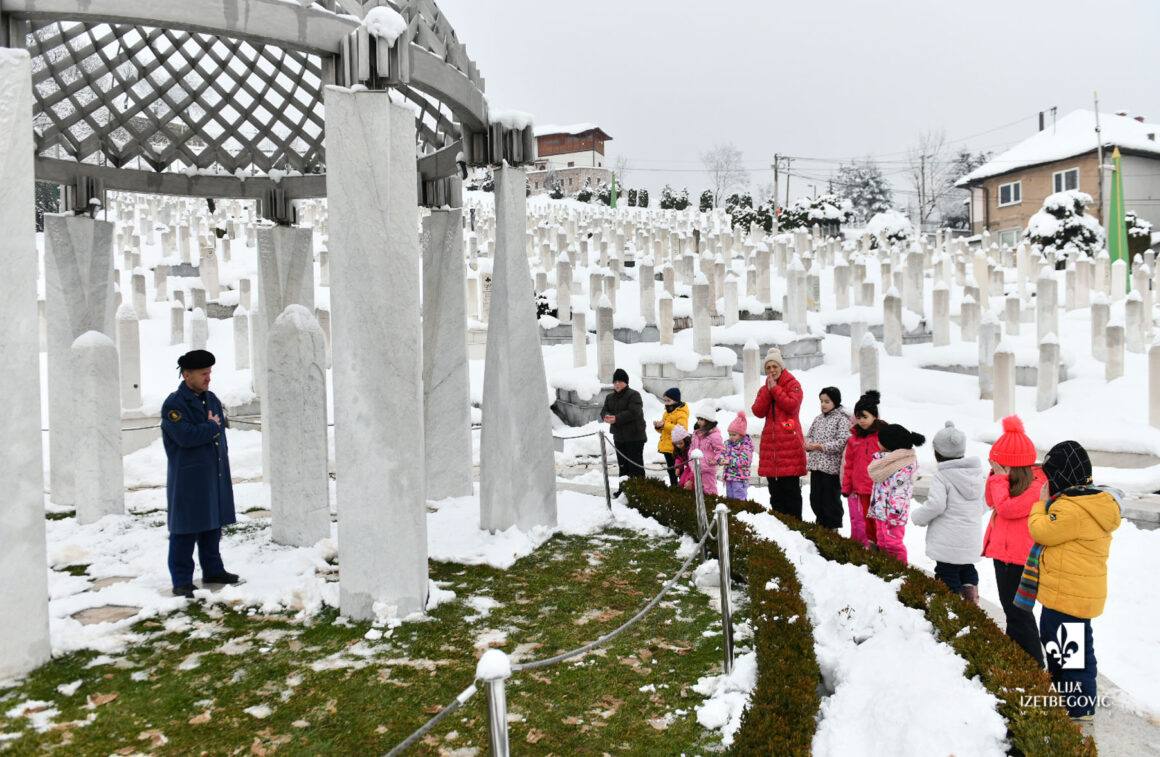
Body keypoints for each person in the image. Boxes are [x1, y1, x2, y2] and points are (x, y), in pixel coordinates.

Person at [1025, 441, 1121, 720]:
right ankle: (1072, 700)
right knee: (1072, 652)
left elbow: (1041, 531)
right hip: (1074, 594)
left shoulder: (1072, 509)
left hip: (1066, 597)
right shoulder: (1092, 500)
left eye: (1050, 477)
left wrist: (1040, 504)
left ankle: (1079, 708)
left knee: (1070, 656)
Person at [161, 350, 239, 598]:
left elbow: (218, 430)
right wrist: (211, 426)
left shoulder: (211, 399)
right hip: (188, 478)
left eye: (210, 373)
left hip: (213, 474)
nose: (208, 378)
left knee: (212, 526)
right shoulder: (174, 405)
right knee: (185, 530)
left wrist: (211, 427)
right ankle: (182, 580)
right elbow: (185, 436)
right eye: (203, 374)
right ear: (187, 375)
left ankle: (213, 570)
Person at [984, 415, 1046, 667]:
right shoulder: (1006, 481)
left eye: (1000, 466)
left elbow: (1007, 509)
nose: (997, 472)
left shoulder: (1037, 485)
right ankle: (1016, 659)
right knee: (1011, 612)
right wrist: (996, 475)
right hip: (1002, 556)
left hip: (1020, 559)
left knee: (1019, 614)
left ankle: (1034, 664)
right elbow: (990, 501)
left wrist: (999, 478)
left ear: (1015, 466)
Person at [910, 421, 986, 603]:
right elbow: (984, 503)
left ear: (937, 453)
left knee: (946, 574)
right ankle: (970, 602)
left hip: (948, 541)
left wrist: (918, 517)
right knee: (967, 569)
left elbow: (936, 505)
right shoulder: (976, 474)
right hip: (969, 539)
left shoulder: (942, 476)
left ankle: (949, 610)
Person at [751, 348, 806, 518]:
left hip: (789, 447)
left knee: (792, 494)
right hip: (771, 449)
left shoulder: (793, 384)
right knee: (775, 494)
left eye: (775, 366)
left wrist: (775, 390)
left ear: (781, 367)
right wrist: (768, 391)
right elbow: (758, 411)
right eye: (768, 368)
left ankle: (797, 530)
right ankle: (779, 530)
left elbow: (791, 405)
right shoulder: (765, 388)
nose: (772, 370)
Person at [867, 423, 924, 562]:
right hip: (881, 510)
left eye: (880, 440)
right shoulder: (885, 460)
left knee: (893, 544)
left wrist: (894, 513)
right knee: (881, 541)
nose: (877, 442)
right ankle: (885, 567)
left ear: (889, 444)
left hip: (893, 514)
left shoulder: (903, 465)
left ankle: (900, 571)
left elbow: (899, 491)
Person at [841, 391, 885, 548]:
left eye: (865, 417)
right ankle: (872, 550)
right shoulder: (854, 438)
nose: (861, 421)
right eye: (858, 418)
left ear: (874, 416)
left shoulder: (883, 436)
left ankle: (884, 551)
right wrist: (847, 486)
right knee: (866, 523)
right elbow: (849, 464)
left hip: (879, 489)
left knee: (880, 524)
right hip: (861, 489)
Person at [805, 387, 850, 529]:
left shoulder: (842, 419)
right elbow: (810, 435)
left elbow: (842, 441)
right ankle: (820, 527)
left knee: (830, 501)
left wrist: (820, 446)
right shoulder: (817, 419)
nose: (823, 404)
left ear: (835, 402)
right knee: (815, 499)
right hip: (816, 466)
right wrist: (808, 444)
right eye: (821, 401)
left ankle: (832, 529)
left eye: (827, 401)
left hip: (831, 469)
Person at [600, 368, 647, 480]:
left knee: (635, 467)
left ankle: (638, 492)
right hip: (619, 437)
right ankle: (623, 490)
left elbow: (633, 412)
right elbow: (604, 411)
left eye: (619, 381)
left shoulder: (634, 395)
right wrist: (606, 416)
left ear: (626, 382)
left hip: (634, 437)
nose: (617, 384)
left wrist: (616, 418)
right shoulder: (609, 397)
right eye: (615, 382)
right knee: (623, 466)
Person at [685, 403, 725, 496]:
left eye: (702, 419)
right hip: (696, 467)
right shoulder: (696, 433)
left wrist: (714, 460)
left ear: (709, 420)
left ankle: (711, 506)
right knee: (698, 492)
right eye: (698, 419)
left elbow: (721, 450)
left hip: (708, 469)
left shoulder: (714, 435)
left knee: (709, 490)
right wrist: (691, 458)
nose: (699, 421)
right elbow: (692, 448)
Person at [654, 387, 689, 487]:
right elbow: (664, 430)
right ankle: (674, 488)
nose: (666, 403)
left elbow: (681, 429)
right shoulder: (666, 412)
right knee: (670, 470)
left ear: (676, 400)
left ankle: (681, 488)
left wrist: (664, 425)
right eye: (665, 400)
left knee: (679, 470)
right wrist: (658, 427)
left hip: (676, 447)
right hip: (666, 447)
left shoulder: (681, 413)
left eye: (669, 400)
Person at [720, 412, 754, 501]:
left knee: (739, 498)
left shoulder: (745, 445)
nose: (731, 437)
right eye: (730, 434)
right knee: (730, 498)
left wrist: (730, 461)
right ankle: (733, 512)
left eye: (734, 435)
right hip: (728, 476)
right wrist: (720, 459)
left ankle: (741, 513)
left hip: (740, 477)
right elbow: (722, 452)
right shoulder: (728, 443)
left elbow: (745, 460)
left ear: (741, 434)